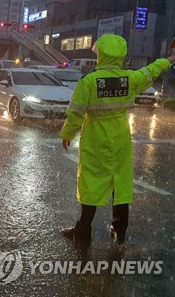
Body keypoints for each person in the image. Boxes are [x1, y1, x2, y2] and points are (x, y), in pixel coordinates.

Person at [59, 34, 175, 246]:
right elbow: (152, 70)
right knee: (120, 183)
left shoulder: (89, 82)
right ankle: (119, 230)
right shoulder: (129, 79)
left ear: (101, 54)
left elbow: (76, 113)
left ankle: (83, 230)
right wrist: (170, 58)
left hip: (95, 136)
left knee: (90, 182)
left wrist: (67, 134)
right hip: (120, 136)